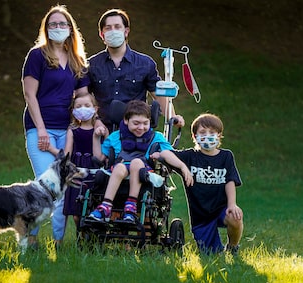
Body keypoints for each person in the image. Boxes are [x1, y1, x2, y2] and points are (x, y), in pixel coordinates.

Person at [21, 5, 89, 248]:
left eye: (62, 24)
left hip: (66, 130)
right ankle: (31, 239)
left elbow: (83, 96)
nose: (57, 28)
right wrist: (40, 130)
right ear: (46, 29)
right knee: (44, 186)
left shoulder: (76, 60)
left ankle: (58, 242)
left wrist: (91, 120)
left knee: (64, 190)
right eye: (53, 24)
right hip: (41, 128)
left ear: (70, 29)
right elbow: (30, 96)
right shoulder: (37, 56)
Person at [87, 100, 193, 222]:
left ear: (150, 122)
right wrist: (96, 137)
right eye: (136, 123)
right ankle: (106, 205)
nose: (141, 127)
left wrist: (182, 166)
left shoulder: (156, 137)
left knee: (136, 162)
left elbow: (168, 154)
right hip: (120, 169)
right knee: (120, 167)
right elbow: (99, 158)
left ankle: (131, 206)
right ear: (126, 121)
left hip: (143, 170)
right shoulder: (116, 136)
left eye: (145, 123)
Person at [87, 8, 185, 131]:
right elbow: (83, 96)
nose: (113, 31)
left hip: (136, 132)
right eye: (108, 28)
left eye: (117, 27)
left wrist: (172, 117)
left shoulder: (145, 64)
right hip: (102, 131)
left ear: (126, 31)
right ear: (102, 34)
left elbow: (159, 95)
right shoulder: (91, 65)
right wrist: (95, 120)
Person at [159, 113, 243, 255]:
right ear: (194, 136)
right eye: (202, 132)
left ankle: (232, 247)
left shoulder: (226, 156)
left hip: (221, 209)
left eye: (212, 132)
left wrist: (232, 204)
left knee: (235, 217)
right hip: (201, 218)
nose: (207, 136)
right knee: (212, 256)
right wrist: (183, 167)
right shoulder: (190, 157)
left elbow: (230, 181)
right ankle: (214, 245)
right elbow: (165, 153)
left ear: (219, 135)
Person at [46, 92, 107, 228]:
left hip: (94, 169)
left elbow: (106, 152)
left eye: (87, 105)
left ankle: (94, 238)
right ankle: (81, 236)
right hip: (77, 170)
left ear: (95, 108)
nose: (83, 109)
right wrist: (51, 149)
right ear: (73, 111)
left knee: (93, 206)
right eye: (78, 106)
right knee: (76, 212)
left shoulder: (101, 129)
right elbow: (67, 153)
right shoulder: (72, 130)